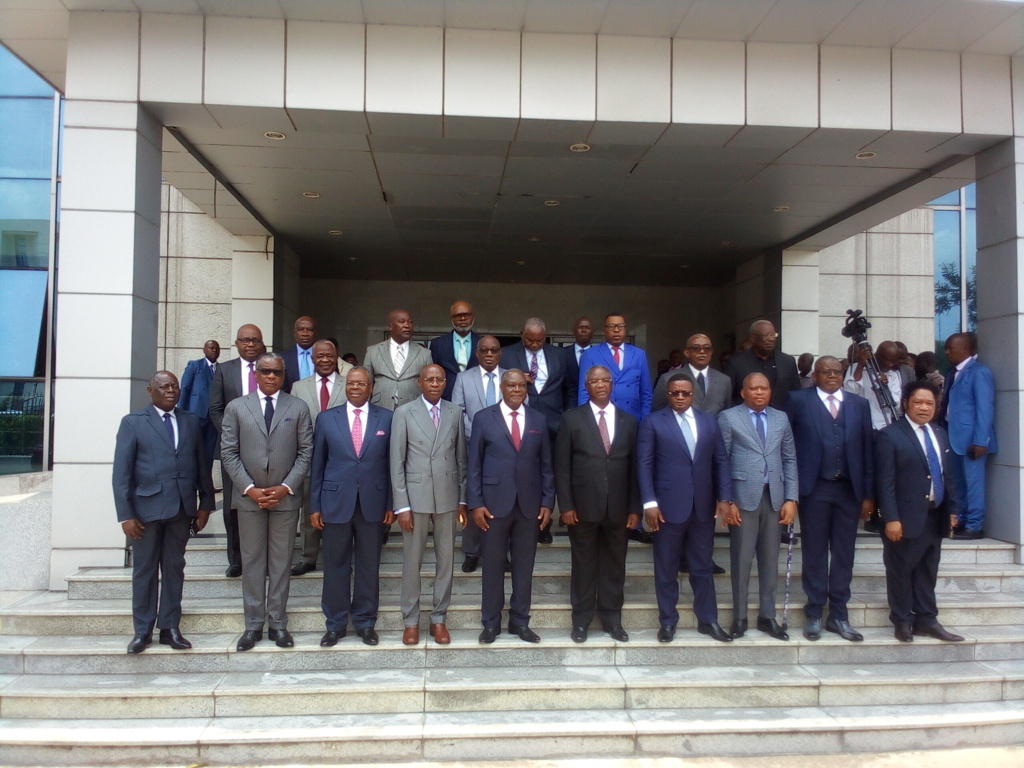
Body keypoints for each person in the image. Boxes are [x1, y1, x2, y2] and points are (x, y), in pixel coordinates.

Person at [113, 371, 215, 654]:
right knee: (144, 570)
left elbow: (202, 464)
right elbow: (121, 474)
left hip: (182, 509)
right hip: (145, 511)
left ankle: (170, 627)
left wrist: (205, 504)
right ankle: (142, 631)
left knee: (174, 568)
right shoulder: (133, 422)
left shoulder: (190, 421)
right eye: (164, 387)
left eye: (174, 386)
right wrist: (126, 515)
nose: (171, 390)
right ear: (151, 391)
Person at [220, 352, 313, 652]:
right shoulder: (237, 407)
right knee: (252, 562)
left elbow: (306, 452)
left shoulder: (298, 407)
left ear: (284, 376)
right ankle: (253, 624)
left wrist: (286, 487)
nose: (271, 376)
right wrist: (249, 488)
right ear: (256, 374)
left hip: (285, 499)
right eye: (265, 371)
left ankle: (278, 624)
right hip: (249, 500)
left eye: (277, 372)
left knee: (281, 562)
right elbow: (228, 452)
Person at [637, 373, 734, 643]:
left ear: (693, 395)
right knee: (666, 567)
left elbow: (721, 461)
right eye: (674, 393)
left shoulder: (708, 421)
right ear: (667, 394)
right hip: (667, 507)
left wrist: (725, 497)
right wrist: (649, 502)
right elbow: (644, 464)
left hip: (702, 506)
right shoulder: (653, 422)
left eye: (685, 393)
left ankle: (708, 620)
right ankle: (668, 621)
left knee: (702, 566)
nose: (680, 397)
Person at [786, 356, 874, 642]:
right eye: (826, 372)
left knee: (844, 554)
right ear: (815, 375)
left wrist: (868, 495)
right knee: (814, 552)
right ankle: (814, 611)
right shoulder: (798, 400)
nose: (832, 376)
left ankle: (839, 614)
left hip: (849, 490)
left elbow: (867, 450)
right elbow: (787, 446)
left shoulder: (859, 404)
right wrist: (791, 491)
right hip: (815, 489)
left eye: (837, 371)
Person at [468, 369, 555, 644]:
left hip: (529, 505)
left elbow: (546, 465)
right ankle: (491, 623)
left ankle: (520, 621)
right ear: (502, 388)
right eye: (511, 385)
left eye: (521, 386)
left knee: (524, 566)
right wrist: (476, 503)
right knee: (493, 566)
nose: (517, 390)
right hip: (493, 505)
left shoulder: (538, 419)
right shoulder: (483, 418)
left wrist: (547, 502)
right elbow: (474, 465)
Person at [309, 367, 394, 647]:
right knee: (335, 565)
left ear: (371, 388)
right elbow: (317, 465)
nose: (356, 387)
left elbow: (391, 465)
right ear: (346, 386)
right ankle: (335, 624)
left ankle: (365, 622)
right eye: (351, 383)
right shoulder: (326, 418)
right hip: (335, 502)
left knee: (369, 566)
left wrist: (390, 503)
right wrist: (314, 505)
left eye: (361, 383)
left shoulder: (387, 418)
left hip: (373, 504)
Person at [555, 365, 640, 643]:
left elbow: (635, 468)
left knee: (615, 566)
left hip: (619, 508)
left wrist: (634, 508)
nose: (600, 384)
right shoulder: (571, 419)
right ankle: (581, 621)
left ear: (612, 384)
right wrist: (566, 506)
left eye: (605, 380)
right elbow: (562, 467)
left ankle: (612, 620)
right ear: (586, 385)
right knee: (584, 565)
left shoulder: (629, 421)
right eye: (595, 381)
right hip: (581, 508)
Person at [875, 380, 964, 643]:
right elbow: (884, 482)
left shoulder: (939, 433)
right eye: (918, 402)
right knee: (901, 570)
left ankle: (927, 620)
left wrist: (952, 509)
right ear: (906, 404)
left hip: (935, 514)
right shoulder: (890, 435)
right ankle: (902, 620)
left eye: (929, 403)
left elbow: (948, 475)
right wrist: (891, 518)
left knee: (928, 569)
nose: (924, 407)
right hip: (903, 518)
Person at [390, 363, 468, 645]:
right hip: (415, 497)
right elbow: (396, 462)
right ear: (420, 382)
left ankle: (438, 618)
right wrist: (401, 505)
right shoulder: (404, 412)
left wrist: (462, 498)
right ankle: (410, 620)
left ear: (445, 383)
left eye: (439, 380)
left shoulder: (454, 412)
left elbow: (461, 459)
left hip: (447, 496)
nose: (435, 384)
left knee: (446, 561)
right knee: (413, 562)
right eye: (430, 379)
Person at [718, 373, 798, 640]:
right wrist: (727, 500)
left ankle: (767, 616)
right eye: (753, 388)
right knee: (741, 560)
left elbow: (789, 459)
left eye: (764, 388)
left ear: (770, 391)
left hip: (774, 498)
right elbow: (721, 460)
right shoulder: (729, 418)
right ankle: (740, 617)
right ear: (743, 392)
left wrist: (791, 499)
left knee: (769, 560)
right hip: (742, 499)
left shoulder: (781, 418)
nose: (759, 392)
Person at [288, 340, 354, 576]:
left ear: (337, 358)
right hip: (309, 457)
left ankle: (341, 557)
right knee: (310, 508)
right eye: (320, 356)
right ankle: (308, 557)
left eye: (329, 356)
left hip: (341, 459)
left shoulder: (349, 384)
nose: (325, 360)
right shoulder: (298, 387)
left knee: (342, 510)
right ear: (312, 359)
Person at [502, 318, 569, 543]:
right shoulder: (507, 354)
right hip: (521, 423)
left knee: (549, 473)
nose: (534, 344)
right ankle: (521, 520)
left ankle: (544, 523)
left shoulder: (560, 355)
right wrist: (518, 377)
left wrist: (567, 416)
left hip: (554, 424)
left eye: (539, 340)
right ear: (522, 333)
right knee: (524, 472)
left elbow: (569, 387)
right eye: (530, 339)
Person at [209, 323, 265, 577]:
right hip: (233, 450)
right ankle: (236, 559)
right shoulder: (224, 370)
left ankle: (262, 557)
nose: (250, 344)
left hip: (267, 450)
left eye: (255, 340)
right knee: (233, 505)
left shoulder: (271, 368)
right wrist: (234, 437)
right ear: (237, 343)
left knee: (264, 504)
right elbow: (215, 409)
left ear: (262, 343)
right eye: (245, 340)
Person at [451, 335, 507, 573]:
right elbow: (457, 412)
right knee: (473, 494)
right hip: (471, 445)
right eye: (484, 350)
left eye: (494, 350)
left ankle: (501, 552)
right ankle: (472, 552)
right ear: (477, 353)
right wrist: (479, 432)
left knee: (503, 497)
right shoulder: (464, 378)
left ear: (500, 353)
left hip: (504, 450)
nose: (489, 354)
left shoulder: (510, 377)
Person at [939, 332, 997, 539]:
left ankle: (975, 525)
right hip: (952, 436)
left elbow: (985, 408)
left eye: (950, 348)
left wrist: (981, 440)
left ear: (967, 349)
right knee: (957, 483)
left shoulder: (979, 372)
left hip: (972, 440)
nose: (946, 352)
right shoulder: (951, 373)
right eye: (946, 348)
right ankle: (960, 520)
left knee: (973, 483)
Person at [578, 313, 652, 422]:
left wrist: (645, 420)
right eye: (611, 326)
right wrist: (586, 421)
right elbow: (584, 392)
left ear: (625, 329)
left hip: (632, 418)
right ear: (604, 330)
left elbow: (646, 393)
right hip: (601, 418)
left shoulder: (639, 354)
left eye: (620, 326)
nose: (616, 330)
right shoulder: (590, 354)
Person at [363, 309, 432, 411]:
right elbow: (366, 384)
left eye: (410, 322)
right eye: (402, 322)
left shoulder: (424, 353)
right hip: (380, 408)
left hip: (414, 410)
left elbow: (429, 385)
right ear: (390, 326)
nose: (407, 325)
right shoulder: (373, 351)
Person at [724, 320, 800, 410]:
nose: (771, 339)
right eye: (766, 335)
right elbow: (727, 396)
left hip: (782, 416)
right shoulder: (736, 362)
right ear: (753, 338)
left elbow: (796, 394)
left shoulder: (787, 361)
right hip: (746, 416)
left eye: (773, 335)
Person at [652, 333, 730, 415]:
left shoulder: (724, 380)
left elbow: (726, 414)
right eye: (696, 348)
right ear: (687, 352)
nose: (702, 351)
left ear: (711, 352)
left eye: (706, 348)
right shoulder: (667, 378)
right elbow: (658, 413)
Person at [844, 340, 913, 431]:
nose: (890, 364)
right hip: (860, 425)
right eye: (887, 360)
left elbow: (896, 405)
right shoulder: (855, 368)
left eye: (893, 361)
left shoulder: (893, 375)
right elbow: (850, 392)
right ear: (876, 356)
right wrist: (860, 366)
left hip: (883, 426)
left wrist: (885, 387)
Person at [177, 339, 220, 472]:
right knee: (194, 449)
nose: (214, 350)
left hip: (213, 418)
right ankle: (193, 480)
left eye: (216, 348)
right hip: (197, 415)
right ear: (204, 350)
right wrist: (180, 412)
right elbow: (185, 389)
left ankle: (206, 481)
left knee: (209, 452)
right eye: (211, 347)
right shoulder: (195, 365)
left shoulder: (222, 369)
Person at [429, 300, 481, 401]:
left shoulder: (482, 343)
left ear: (473, 317)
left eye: (466, 315)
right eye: (458, 316)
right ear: (451, 319)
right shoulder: (437, 344)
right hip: (446, 398)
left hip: (476, 397)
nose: (462, 319)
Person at [562, 316, 594, 407]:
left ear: (593, 332)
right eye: (580, 327)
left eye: (587, 328)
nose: (583, 330)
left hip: (592, 406)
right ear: (573, 331)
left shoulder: (599, 355)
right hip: (567, 406)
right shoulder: (562, 354)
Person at [281, 315, 318, 393]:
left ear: (315, 333)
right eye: (301, 329)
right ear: (295, 333)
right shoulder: (283, 358)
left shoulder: (324, 358)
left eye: (309, 330)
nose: (305, 333)